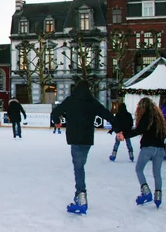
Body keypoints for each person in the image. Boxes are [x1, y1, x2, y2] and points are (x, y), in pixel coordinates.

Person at [51, 80, 122, 215]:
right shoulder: (92, 102)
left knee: (78, 167)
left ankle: (81, 195)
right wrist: (118, 129)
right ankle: (80, 194)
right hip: (87, 139)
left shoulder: (70, 100)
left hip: (74, 138)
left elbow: (55, 112)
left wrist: (57, 122)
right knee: (80, 165)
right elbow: (108, 115)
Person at [122, 97, 166, 208]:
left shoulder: (147, 116)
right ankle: (158, 196)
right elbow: (164, 134)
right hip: (160, 149)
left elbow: (139, 130)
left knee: (139, 169)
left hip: (148, 147)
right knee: (157, 173)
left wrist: (125, 134)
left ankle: (146, 192)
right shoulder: (159, 119)